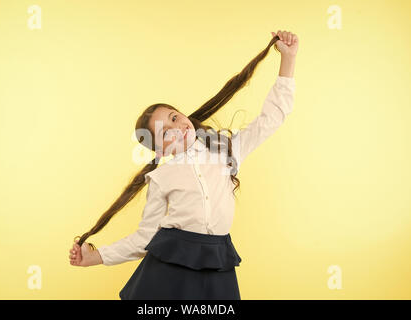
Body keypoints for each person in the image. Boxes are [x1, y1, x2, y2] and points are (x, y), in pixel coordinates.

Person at [69, 30, 298, 300]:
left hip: (218, 261)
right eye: (165, 132)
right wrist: (96, 257)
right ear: (159, 149)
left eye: (175, 118)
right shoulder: (161, 177)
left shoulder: (226, 151)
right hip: (170, 268)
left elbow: (270, 119)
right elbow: (144, 238)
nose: (178, 128)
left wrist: (288, 60)